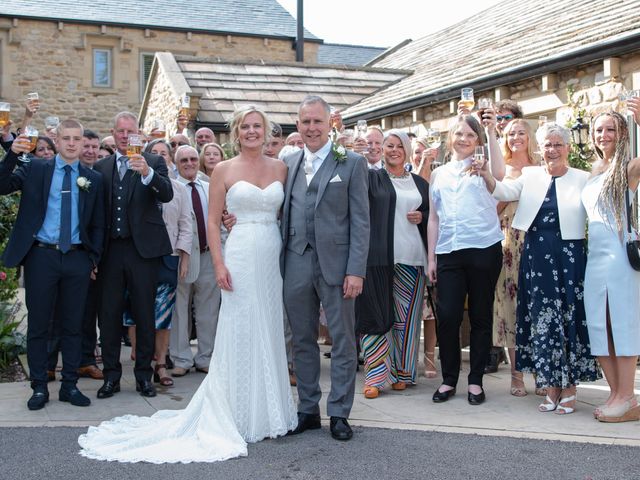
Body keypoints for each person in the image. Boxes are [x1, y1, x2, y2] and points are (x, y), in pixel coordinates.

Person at [78, 105, 296, 463]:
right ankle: (237, 410)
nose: (252, 132)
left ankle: (270, 409)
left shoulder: (282, 169)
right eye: (246, 127)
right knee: (238, 328)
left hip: (272, 257)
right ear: (236, 132)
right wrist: (220, 263)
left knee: (269, 327)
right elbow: (211, 222)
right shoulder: (223, 169)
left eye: (258, 126)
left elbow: (288, 215)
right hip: (238, 255)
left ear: (267, 130)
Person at [478, 122, 600, 415]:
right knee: (543, 321)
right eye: (547, 144)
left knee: (568, 319)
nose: (552, 150)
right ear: (540, 148)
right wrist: (485, 174)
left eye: (558, 144)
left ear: (568, 148)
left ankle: (569, 389)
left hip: (569, 256)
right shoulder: (530, 175)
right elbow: (503, 190)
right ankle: (551, 386)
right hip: (535, 255)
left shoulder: (583, 177)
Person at [0, 119, 105, 410]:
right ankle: (38, 387)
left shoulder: (92, 179)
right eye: (66, 138)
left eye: (77, 139)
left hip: (76, 258)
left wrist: (92, 257)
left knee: (73, 325)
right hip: (41, 256)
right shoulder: (36, 169)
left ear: (84, 143)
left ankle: (70, 385)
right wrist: (10, 154)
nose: (72, 143)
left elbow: (98, 224)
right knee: (39, 325)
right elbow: (2, 185)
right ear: (56, 141)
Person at [281, 95, 369, 441]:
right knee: (302, 339)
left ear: (330, 122)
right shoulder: (286, 162)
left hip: (338, 265)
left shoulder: (351, 162)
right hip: (295, 259)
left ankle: (339, 413)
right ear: (298, 124)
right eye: (305, 122)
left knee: (343, 340)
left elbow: (361, 222)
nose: (312, 128)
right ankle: (307, 410)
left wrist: (356, 270)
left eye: (318, 121)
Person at [93, 111, 174, 400]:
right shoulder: (101, 167)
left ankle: (143, 376)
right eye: (120, 132)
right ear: (113, 134)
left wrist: (146, 174)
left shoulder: (154, 162)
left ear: (138, 134)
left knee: (144, 314)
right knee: (110, 315)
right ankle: (111, 377)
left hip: (143, 252)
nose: (125, 136)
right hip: (110, 251)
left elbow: (166, 194)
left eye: (130, 132)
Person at [427, 113, 505, 406]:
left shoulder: (484, 167)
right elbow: (433, 219)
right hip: (448, 251)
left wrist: (491, 131)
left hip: (484, 247)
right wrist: (432, 258)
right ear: (451, 137)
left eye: (471, 135)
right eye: (459, 134)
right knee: (447, 317)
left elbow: (500, 172)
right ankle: (449, 379)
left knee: (481, 315)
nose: (464, 139)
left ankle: (475, 381)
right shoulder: (439, 174)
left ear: (477, 141)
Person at [356, 130, 429, 398]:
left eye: (400, 146)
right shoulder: (372, 178)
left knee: (406, 320)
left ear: (408, 151)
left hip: (412, 258)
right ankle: (375, 376)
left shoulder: (420, 184)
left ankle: (401, 373)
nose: (394, 150)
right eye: (389, 145)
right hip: (377, 259)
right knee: (375, 315)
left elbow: (433, 214)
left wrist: (422, 215)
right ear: (382, 149)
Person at [582, 108, 640, 422]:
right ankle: (617, 394)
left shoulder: (628, 167)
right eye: (599, 130)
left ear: (623, 134)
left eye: (611, 130)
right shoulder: (592, 169)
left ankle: (628, 395)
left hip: (620, 254)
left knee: (622, 322)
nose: (604, 136)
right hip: (595, 256)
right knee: (598, 324)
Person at [124, 139, 192, 387]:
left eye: (165, 153)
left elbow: (186, 225)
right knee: (135, 310)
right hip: (139, 255)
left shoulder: (178, 189)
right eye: (155, 153)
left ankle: (161, 363)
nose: (160, 156)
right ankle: (139, 358)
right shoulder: (133, 183)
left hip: (167, 256)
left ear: (170, 159)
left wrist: (183, 255)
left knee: (163, 313)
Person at [491, 119, 539, 396]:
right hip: (509, 246)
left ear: (529, 136)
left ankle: (542, 374)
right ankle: (516, 375)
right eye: (510, 134)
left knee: (537, 308)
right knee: (511, 309)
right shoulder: (502, 170)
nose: (515, 138)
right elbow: (490, 209)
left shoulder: (542, 167)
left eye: (521, 132)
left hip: (537, 243)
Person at [170, 145, 221, 377]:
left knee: (208, 309)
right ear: (176, 163)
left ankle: (206, 357)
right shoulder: (171, 188)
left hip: (208, 254)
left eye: (192, 159)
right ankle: (180, 358)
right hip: (181, 256)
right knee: (179, 309)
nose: (189, 163)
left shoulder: (210, 188)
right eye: (184, 160)